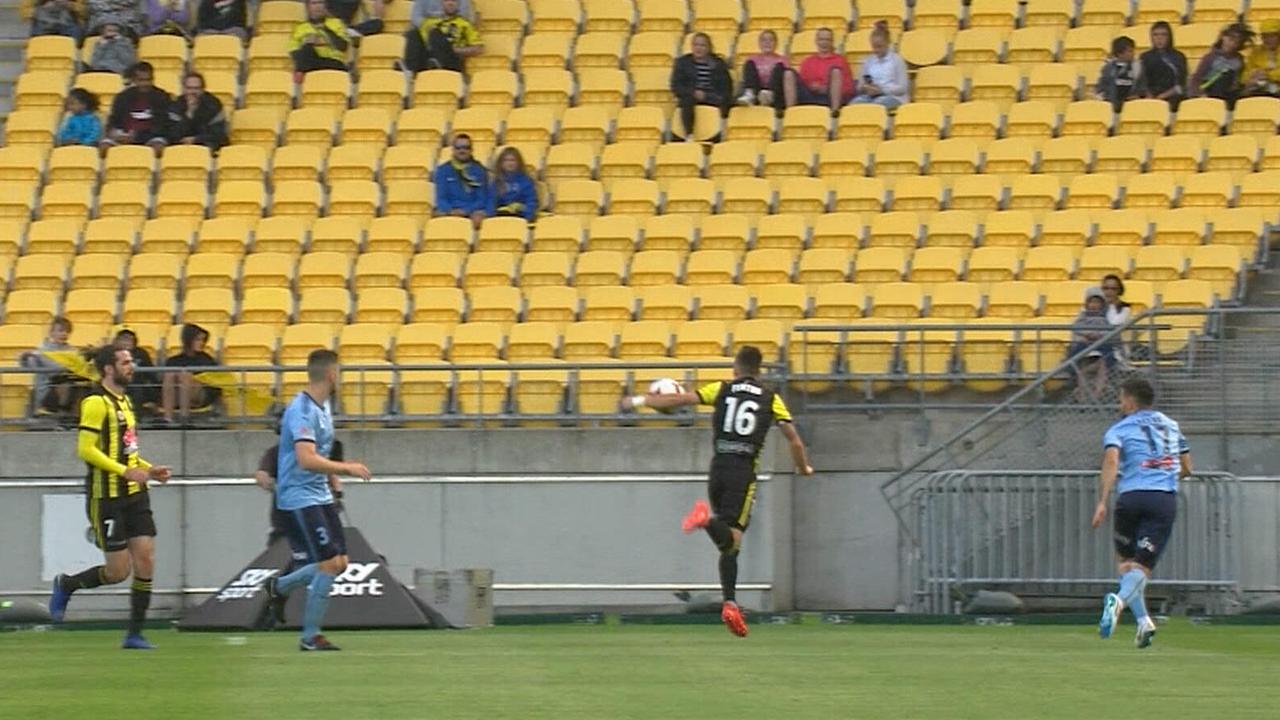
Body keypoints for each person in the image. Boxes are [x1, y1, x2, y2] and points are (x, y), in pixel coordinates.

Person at [621, 346, 814, 638]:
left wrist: (638, 400)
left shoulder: (721, 388)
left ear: (735, 368)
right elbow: (795, 442)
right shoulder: (771, 398)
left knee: (729, 545)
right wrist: (804, 469)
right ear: (759, 370)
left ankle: (730, 603)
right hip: (743, 472)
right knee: (732, 536)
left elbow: (682, 399)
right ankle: (706, 523)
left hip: (718, 469)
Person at [48, 344, 173, 649]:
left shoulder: (126, 402)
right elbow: (85, 449)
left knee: (146, 560)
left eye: (131, 361)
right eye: (126, 362)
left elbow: (128, 453)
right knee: (118, 571)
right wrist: (123, 471)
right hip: (106, 496)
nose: (132, 366)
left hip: (135, 495)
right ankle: (67, 584)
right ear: (108, 369)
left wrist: (148, 469)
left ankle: (134, 634)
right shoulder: (94, 402)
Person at [263, 350, 372, 651]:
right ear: (331, 374)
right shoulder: (301, 409)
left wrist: (333, 485)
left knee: (340, 563)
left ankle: (279, 586)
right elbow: (306, 459)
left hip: (319, 494)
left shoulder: (323, 408)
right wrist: (346, 467)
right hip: (298, 497)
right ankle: (310, 636)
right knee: (326, 564)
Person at [1092, 376, 1191, 649]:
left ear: (1131, 401)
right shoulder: (1171, 426)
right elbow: (1187, 466)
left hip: (1130, 499)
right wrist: (1166, 475)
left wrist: (1102, 501)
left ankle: (1144, 622)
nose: (1119, 403)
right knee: (1142, 568)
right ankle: (1119, 602)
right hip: (1161, 500)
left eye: (1121, 398)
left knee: (1126, 565)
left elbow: (1112, 461)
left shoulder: (1118, 429)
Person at [254, 426, 343, 576]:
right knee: (280, 562)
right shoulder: (277, 453)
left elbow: (331, 473)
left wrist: (336, 492)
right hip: (287, 522)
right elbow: (262, 474)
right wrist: (269, 483)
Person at [670, 32, 733, 142]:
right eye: (695, 45)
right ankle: (689, 134)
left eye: (702, 45)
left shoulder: (718, 64)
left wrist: (707, 95)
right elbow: (676, 86)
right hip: (690, 97)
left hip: (712, 98)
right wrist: (694, 92)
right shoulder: (683, 63)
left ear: (709, 47)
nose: (698, 48)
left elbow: (726, 86)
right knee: (687, 100)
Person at [100, 61, 172, 155]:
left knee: (158, 147)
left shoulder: (162, 96)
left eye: (148, 80)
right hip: (124, 135)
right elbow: (114, 119)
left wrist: (137, 136)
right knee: (104, 147)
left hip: (151, 137)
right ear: (134, 80)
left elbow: (162, 125)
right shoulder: (122, 97)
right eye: (141, 80)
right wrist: (116, 133)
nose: (145, 84)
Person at [20, 316, 84, 419]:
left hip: (69, 387)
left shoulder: (72, 351)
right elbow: (28, 364)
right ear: (51, 332)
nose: (64, 334)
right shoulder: (42, 350)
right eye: (60, 331)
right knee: (64, 383)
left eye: (67, 331)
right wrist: (26, 357)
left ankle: (68, 417)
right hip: (47, 390)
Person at [780, 26, 854, 114]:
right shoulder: (808, 61)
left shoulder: (840, 60)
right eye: (821, 39)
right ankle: (790, 112)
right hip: (809, 95)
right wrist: (812, 87)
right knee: (788, 73)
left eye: (827, 40)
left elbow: (848, 88)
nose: (824, 43)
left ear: (832, 42)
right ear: (816, 41)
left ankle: (835, 112)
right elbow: (802, 83)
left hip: (829, 97)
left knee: (836, 71)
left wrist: (826, 89)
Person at [161, 323, 220, 424]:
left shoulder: (207, 359)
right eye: (198, 340)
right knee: (170, 375)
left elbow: (215, 383)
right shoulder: (173, 360)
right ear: (188, 340)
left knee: (185, 375)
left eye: (203, 340)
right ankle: (168, 418)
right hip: (176, 395)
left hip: (201, 395)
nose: (201, 343)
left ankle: (184, 417)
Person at [401, 0, 482, 74]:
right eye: (447, 1)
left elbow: (478, 49)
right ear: (441, 4)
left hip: (452, 60)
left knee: (435, 33)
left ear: (458, 4)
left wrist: (453, 50)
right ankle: (409, 70)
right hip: (428, 57)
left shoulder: (465, 24)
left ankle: (437, 63)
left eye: (454, 1)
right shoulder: (429, 23)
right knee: (413, 34)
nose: (450, 3)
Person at [433, 133, 490, 229]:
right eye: (458, 148)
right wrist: (450, 210)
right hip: (450, 210)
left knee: (479, 218)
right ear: (453, 149)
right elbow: (441, 197)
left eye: (466, 147)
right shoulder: (443, 170)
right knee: (437, 217)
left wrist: (466, 210)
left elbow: (482, 198)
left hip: (472, 210)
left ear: (471, 150)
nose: (462, 150)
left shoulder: (480, 170)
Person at [849, 21, 910, 110]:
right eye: (874, 47)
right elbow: (860, 85)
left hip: (894, 97)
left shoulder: (897, 60)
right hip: (871, 96)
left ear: (887, 43)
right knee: (854, 104)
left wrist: (882, 90)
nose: (876, 50)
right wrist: (866, 88)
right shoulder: (868, 61)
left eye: (880, 46)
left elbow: (902, 88)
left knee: (877, 105)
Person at [1190, 22, 1253, 108]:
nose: (1232, 44)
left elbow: (1238, 80)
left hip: (1229, 94)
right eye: (1231, 39)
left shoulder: (1239, 60)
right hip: (1209, 91)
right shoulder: (1211, 57)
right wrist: (1200, 94)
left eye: (1237, 41)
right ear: (1223, 37)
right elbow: (1197, 78)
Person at [1069, 287, 1114, 400]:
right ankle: (1082, 395)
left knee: (1102, 364)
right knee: (1082, 363)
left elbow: (1109, 331)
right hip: (1085, 345)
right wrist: (1088, 334)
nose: (1094, 305)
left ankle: (1097, 394)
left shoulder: (1105, 318)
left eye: (1097, 302)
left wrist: (1099, 335)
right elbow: (1076, 327)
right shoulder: (1083, 317)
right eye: (1091, 302)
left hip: (1101, 346)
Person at [167, 71, 227, 151]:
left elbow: (218, 134)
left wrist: (195, 139)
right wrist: (189, 114)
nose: (193, 92)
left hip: (207, 147)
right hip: (181, 146)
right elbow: (173, 134)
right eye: (189, 88)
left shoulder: (214, 104)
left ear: (203, 89)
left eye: (197, 88)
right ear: (183, 89)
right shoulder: (175, 105)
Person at [289, 0, 351, 74]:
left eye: (321, 3)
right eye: (314, 3)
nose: (318, 6)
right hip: (309, 64)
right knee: (306, 51)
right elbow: (294, 53)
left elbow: (343, 46)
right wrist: (308, 43)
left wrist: (326, 29)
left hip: (333, 63)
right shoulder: (300, 28)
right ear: (308, 7)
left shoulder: (337, 23)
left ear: (326, 6)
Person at [1140, 21, 1188, 109]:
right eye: (1156, 35)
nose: (1159, 38)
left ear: (1169, 37)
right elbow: (1142, 81)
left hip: (1172, 95)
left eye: (1163, 35)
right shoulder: (1145, 57)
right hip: (1150, 95)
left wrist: (1162, 97)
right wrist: (1150, 96)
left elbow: (1181, 84)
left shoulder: (1178, 57)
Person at [737, 29, 788, 109]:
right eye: (764, 40)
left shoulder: (782, 60)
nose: (767, 43)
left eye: (771, 40)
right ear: (759, 43)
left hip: (775, 94)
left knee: (780, 67)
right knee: (749, 64)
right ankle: (750, 94)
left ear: (776, 43)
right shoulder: (752, 59)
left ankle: (769, 95)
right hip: (758, 92)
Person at [113, 329, 159, 415]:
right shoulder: (112, 353)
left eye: (130, 339)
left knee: (138, 390)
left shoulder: (141, 353)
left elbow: (151, 374)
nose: (127, 342)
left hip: (138, 385)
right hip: (118, 383)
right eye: (124, 339)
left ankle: (135, 418)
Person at [1095, 36, 1145, 112]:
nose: (1133, 54)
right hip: (1112, 106)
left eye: (1132, 50)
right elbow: (1101, 87)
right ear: (1120, 54)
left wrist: (1137, 96)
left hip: (1133, 107)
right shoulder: (1108, 68)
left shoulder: (1138, 68)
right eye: (1129, 51)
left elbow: (1142, 87)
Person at [489, 146, 538, 222]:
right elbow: (491, 203)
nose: (509, 163)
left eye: (513, 160)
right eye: (506, 160)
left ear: (519, 162)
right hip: (500, 219)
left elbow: (531, 202)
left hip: (521, 218)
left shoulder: (526, 181)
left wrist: (522, 209)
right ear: (501, 163)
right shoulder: (496, 182)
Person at [1244, 19, 1280, 97]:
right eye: (1264, 36)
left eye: (1272, 36)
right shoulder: (1256, 52)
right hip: (1259, 87)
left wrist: (1267, 75)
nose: (1267, 40)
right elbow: (1245, 74)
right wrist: (1252, 77)